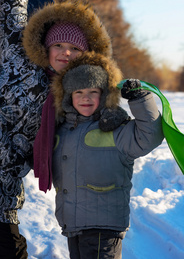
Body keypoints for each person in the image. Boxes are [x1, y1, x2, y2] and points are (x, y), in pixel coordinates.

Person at [0, 0, 128, 257]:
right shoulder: (16, 55)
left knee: (7, 251)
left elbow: (88, 129)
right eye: (59, 45)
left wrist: (115, 116)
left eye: (75, 48)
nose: (65, 52)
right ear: (46, 47)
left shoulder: (76, 93)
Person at [51, 51, 164, 259]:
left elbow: (151, 135)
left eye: (93, 91)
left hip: (105, 228)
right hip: (73, 225)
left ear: (104, 95)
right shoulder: (62, 131)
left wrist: (140, 100)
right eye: (78, 92)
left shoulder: (115, 129)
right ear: (68, 97)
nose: (86, 97)